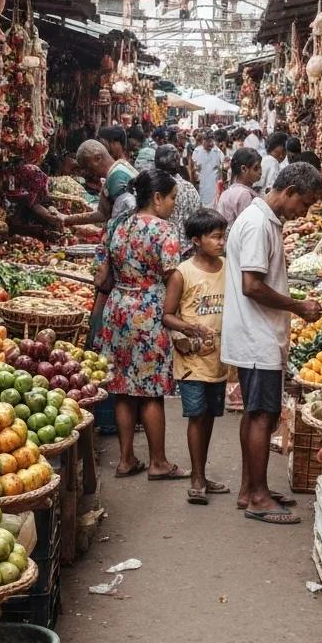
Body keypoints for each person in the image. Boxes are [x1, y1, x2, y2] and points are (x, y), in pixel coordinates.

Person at [222, 162, 322, 524]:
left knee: (255, 413)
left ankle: (250, 489)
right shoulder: (258, 224)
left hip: (254, 333)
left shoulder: (260, 220)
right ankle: (259, 497)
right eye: (306, 203)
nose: (305, 212)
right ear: (291, 191)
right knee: (263, 415)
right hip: (257, 336)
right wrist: (298, 305)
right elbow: (252, 285)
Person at [98, 170, 184, 479]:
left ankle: (125, 459)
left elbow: (101, 275)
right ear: (157, 197)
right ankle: (158, 463)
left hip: (118, 307)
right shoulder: (164, 230)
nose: (174, 204)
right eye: (172, 197)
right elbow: (172, 273)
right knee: (151, 391)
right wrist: (172, 314)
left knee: (122, 387)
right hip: (148, 310)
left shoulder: (116, 225)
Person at [162, 208, 231, 505]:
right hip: (191, 361)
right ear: (196, 240)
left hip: (219, 358)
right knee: (196, 416)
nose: (221, 242)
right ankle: (197, 478)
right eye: (215, 237)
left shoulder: (228, 267)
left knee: (210, 417)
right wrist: (191, 327)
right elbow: (167, 315)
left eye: (222, 236)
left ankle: (202, 472)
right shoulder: (183, 273)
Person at [60, 139, 136, 226]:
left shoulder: (116, 177)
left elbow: (126, 220)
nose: (88, 172)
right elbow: (102, 213)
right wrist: (66, 219)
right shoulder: (119, 168)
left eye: (87, 167)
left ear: (98, 158)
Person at [155, 144, 202, 253]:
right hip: (189, 250)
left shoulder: (155, 189)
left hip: (165, 250)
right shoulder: (190, 188)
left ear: (157, 162)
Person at [216, 148, 262, 227]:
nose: (260, 172)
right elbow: (249, 225)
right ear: (244, 169)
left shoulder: (227, 193)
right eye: (256, 168)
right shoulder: (244, 194)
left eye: (260, 167)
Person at [191, 130, 223, 207]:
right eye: (208, 141)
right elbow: (193, 170)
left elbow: (222, 169)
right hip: (202, 186)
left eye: (212, 141)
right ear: (203, 141)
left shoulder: (217, 152)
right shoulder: (197, 152)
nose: (211, 144)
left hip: (214, 187)